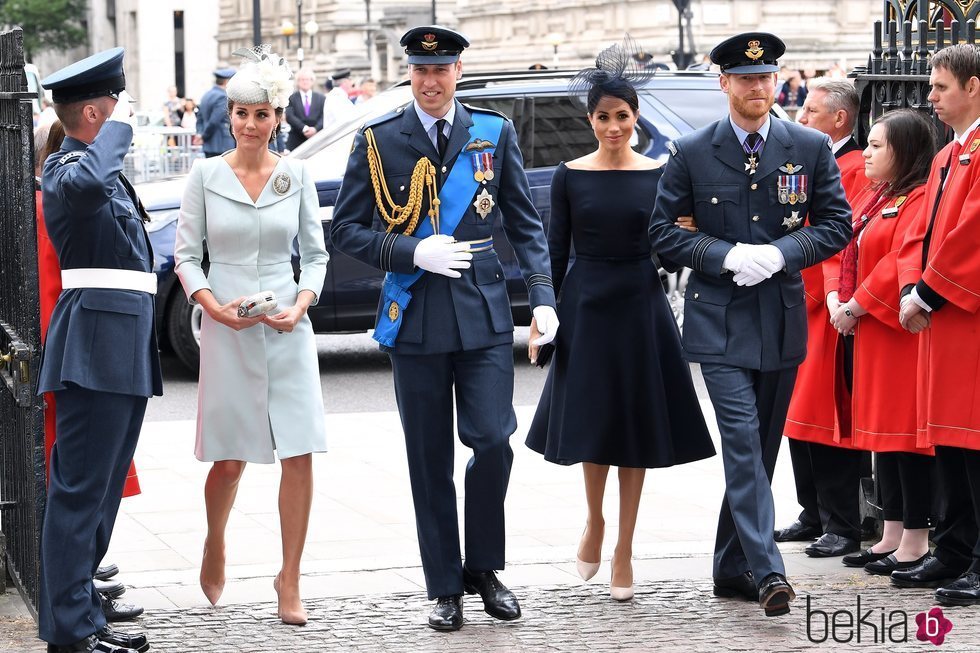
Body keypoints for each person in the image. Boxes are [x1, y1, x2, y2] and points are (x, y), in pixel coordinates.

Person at [330, 25, 559, 632]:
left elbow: (524, 220)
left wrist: (541, 298)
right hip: (417, 313)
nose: (431, 82)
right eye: (420, 71)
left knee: (492, 440)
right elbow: (347, 230)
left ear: (459, 71)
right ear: (409, 74)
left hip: (482, 311)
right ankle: (443, 584)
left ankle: (483, 567)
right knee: (427, 455)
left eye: (442, 70)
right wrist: (410, 253)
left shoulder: (493, 131)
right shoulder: (380, 139)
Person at [648, 32, 851, 617]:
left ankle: (730, 566)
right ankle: (768, 572)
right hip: (719, 319)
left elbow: (837, 225)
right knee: (740, 443)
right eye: (744, 79)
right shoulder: (692, 150)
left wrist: (784, 252)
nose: (757, 88)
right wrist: (724, 255)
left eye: (765, 78)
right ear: (724, 84)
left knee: (761, 452)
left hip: (780, 315)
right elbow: (662, 234)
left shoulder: (807, 145)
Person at [524, 39, 716, 602]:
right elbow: (553, 252)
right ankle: (594, 521)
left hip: (640, 304)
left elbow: (674, 244)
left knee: (635, 426)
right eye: (604, 117)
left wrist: (692, 238)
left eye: (623, 116)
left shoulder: (659, 172)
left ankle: (625, 546)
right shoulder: (569, 175)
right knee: (594, 423)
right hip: (585, 305)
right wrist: (544, 316)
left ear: (637, 118)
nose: (614, 126)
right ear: (590, 120)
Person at [173, 45, 328, 625]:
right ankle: (216, 541)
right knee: (231, 461)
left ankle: (289, 577)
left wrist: (301, 304)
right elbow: (187, 258)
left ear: (278, 118)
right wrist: (213, 308)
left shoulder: (297, 175)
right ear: (229, 116)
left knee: (299, 451)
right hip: (226, 327)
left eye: (261, 114)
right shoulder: (206, 175)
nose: (250, 124)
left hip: (288, 326)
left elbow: (314, 255)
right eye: (241, 113)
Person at [36, 47, 161, 653]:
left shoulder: (96, 167)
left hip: (123, 342)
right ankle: (69, 632)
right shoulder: (67, 168)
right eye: (113, 107)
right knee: (80, 491)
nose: (122, 117)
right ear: (93, 112)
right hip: (94, 342)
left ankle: (83, 611)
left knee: (103, 492)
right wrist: (114, 133)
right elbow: (86, 189)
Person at [824, 109, 937, 574]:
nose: (865, 153)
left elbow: (896, 263)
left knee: (907, 439)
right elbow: (847, 246)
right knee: (883, 440)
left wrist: (855, 306)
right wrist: (838, 297)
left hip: (896, 331)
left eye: (876, 145)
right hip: (872, 329)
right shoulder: (877, 197)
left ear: (904, 151)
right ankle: (892, 530)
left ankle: (916, 537)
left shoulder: (917, 198)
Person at [893, 43, 980, 606]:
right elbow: (923, 230)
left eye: (940, 87)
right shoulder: (951, 154)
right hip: (944, 316)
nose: (930, 97)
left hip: (967, 313)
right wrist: (912, 288)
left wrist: (927, 291)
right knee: (948, 439)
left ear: (973, 87)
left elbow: (972, 230)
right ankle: (952, 548)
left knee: (973, 441)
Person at [776, 77, 870, 557]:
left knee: (827, 418)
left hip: (825, 300)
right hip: (801, 295)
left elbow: (842, 236)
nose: (801, 117)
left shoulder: (853, 166)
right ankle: (812, 511)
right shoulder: (817, 159)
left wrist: (822, 291)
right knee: (798, 416)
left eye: (811, 111)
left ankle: (842, 522)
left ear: (840, 118)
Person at [196, 68, 236, 157]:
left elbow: (199, 118)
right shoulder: (223, 97)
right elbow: (214, 121)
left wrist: (200, 134)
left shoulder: (206, 95)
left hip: (209, 145)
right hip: (221, 144)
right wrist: (204, 136)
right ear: (227, 81)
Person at [284, 67, 325, 151]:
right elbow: (289, 116)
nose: (305, 82)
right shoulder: (291, 98)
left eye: (307, 79)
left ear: (312, 81)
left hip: (316, 139)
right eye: (302, 79)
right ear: (298, 82)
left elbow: (324, 116)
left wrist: (315, 129)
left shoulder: (321, 98)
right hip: (296, 140)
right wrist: (304, 128)